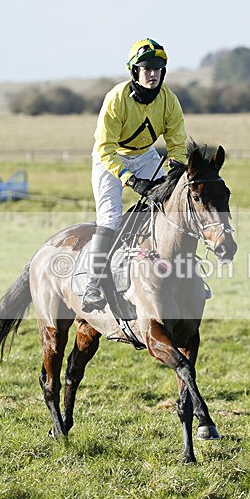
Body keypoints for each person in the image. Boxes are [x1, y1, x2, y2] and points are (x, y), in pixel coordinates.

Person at [82, 37, 189, 312]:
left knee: (165, 205)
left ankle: (167, 270)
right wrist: (131, 180)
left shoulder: (169, 100)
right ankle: (93, 285)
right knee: (110, 217)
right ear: (134, 71)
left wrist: (175, 167)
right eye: (146, 68)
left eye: (157, 69)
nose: (152, 74)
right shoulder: (116, 98)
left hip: (145, 156)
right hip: (111, 158)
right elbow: (105, 149)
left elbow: (177, 142)